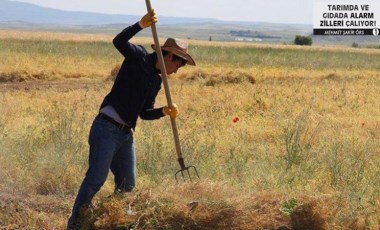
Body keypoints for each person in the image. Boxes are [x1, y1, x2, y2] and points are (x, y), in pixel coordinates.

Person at [67, 9, 195, 229]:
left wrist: (164, 111)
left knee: (127, 186)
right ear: (169, 56)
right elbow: (118, 41)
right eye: (177, 65)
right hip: (106, 127)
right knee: (96, 178)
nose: (176, 71)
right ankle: (76, 224)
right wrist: (140, 25)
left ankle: (108, 219)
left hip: (126, 135)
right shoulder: (138, 57)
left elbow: (145, 113)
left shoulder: (156, 81)